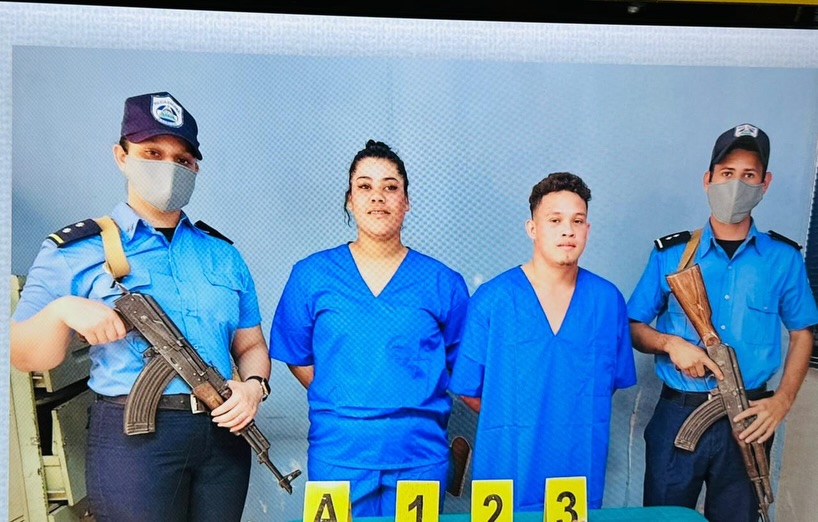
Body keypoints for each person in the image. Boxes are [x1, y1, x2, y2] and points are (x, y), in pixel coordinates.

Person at [10, 91, 271, 522]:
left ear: (195, 169)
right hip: (136, 441)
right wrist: (62, 312)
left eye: (182, 159)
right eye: (152, 152)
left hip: (223, 434)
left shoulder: (223, 255)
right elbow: (22, 353)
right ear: (122, 156)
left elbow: (251, 345)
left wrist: (254, 387)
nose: (168, 167)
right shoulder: (76, 250)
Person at [627, 123, 818, 522]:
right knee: (664, 519)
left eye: (748, 175)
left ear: (765, 184)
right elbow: (633, 326)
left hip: (750, 415)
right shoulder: (672, 254)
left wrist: (782, 401)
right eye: (727, 173)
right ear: (708, 179)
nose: (736, 185)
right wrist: (671, 344)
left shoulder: (783, 259)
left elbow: (802, 333)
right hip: (680, 412)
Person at [269, 139, 469, 517]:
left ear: (406, 202)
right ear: (350, 200)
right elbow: (298, 356)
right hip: (339, 456)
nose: (378, 196)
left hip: (419, 458)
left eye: (390, 187)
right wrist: (346, 396)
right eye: (365, 186)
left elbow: (462, 366)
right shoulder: (311, 276)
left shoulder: (443, 283)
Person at [449, 172, 637, 511]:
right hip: (507, 471)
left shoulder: (607, 302)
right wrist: (519, 414)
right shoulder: (493, 299)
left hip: (578, 471)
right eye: (555, 220)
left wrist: (562, 409)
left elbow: (608, 383)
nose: (568, 230)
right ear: (532, 228)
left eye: (577, 221)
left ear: (587, 229)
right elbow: (469, 389)